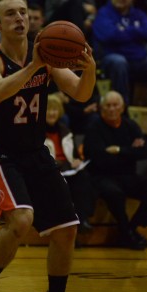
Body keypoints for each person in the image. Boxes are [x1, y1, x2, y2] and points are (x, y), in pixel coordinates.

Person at [0, 0, 96, 292]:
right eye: (10, 14)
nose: (20, 18)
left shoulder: (46, 58)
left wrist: (89, 68)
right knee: (22, 219)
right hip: (0, 153)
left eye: (23, 12)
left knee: (67, 229)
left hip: (36, 152)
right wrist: (34, 66)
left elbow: (80, 93)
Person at [83, 90, 147, 249]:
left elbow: (143, 152)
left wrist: (119, 150)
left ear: (122, 108)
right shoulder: (94, 127)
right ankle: (126, 231)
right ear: (102, 108)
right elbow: (97, 157)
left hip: (128, 176)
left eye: (115, 105)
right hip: (102, 177)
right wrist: (129, 152)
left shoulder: (131, 126)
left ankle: (130, 228)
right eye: (108, 105)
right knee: (114, 192)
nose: (112, 109)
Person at [92, 0, 147, 105]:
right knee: (119, 62)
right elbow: (109, 35)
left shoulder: (138, 14)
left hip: (136, 58)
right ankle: (122, 107)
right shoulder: (104, 13)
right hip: (109, 58)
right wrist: (135, 31)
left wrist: (123, 32)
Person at [45, 94, 95, 233]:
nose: (52, 113)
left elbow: (74, 155)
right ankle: (69, 226)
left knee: (83, 176)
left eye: (55, 109)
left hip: (67, 169)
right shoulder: (37, 132)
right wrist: (64, 164)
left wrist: (78, 160)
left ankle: (82, 220)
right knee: (63, 182)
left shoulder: (65, 130)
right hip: (51, 171)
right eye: (48, 109)